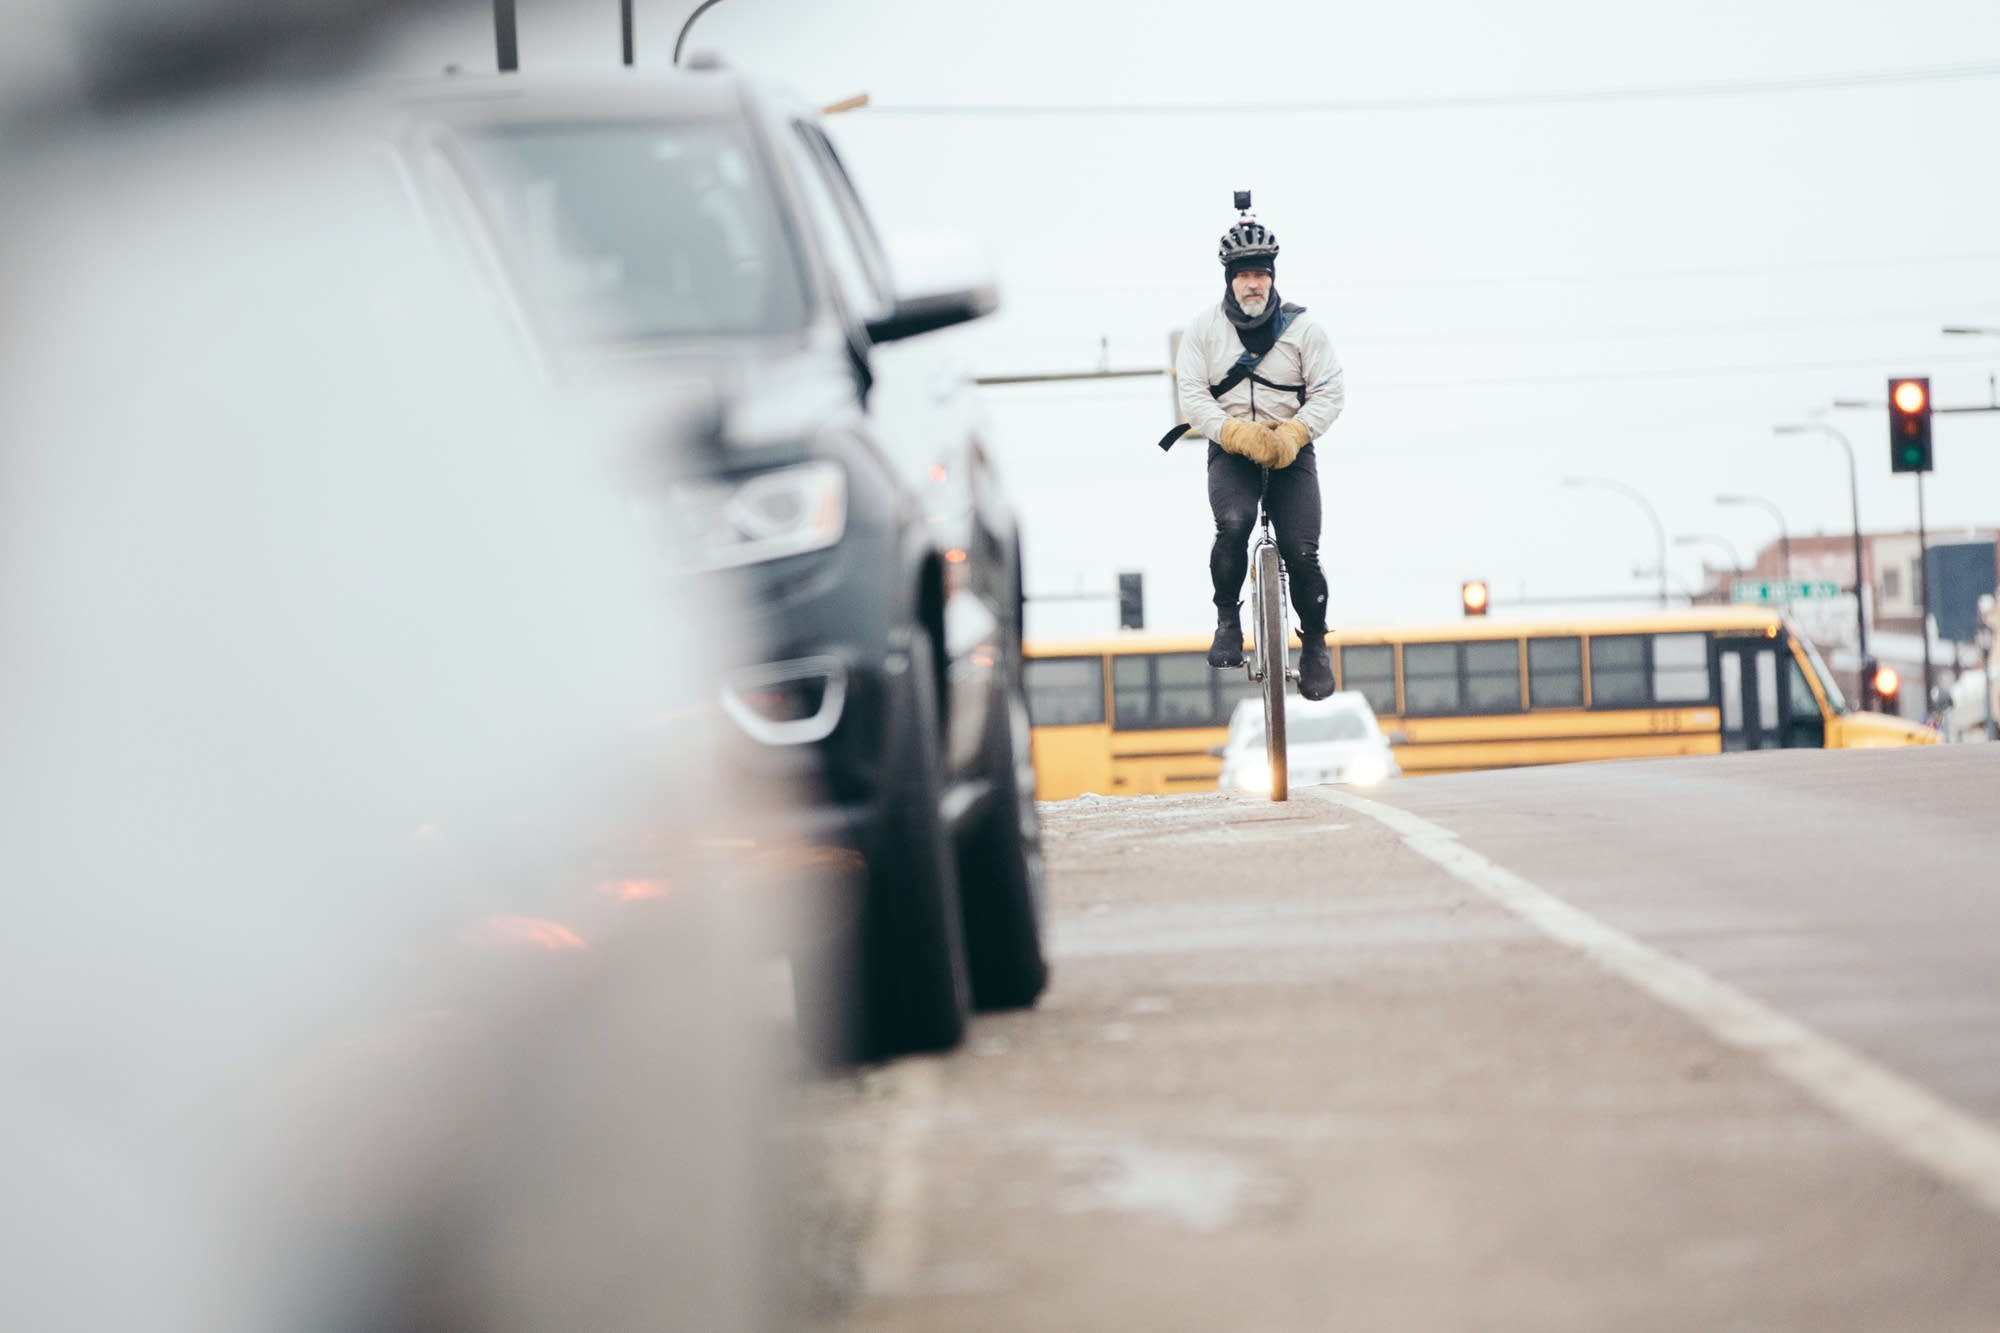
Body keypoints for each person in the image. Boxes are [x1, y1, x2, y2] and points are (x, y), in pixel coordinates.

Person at [1173, 204, 1345, 700]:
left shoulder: (1304, 329)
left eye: (1261, 275)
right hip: (1232, 450)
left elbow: (1330, 391)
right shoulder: (1203, 330)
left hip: (1292, 450)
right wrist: (1232, 433)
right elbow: (1192, 396)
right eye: (1244, 275)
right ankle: (1228, 619)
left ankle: (1314, 645)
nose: (1253, 284)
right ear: (1229, 280)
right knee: (1232, 523)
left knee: (1303, 550)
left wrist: (1294, 433)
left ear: (1273, 279)